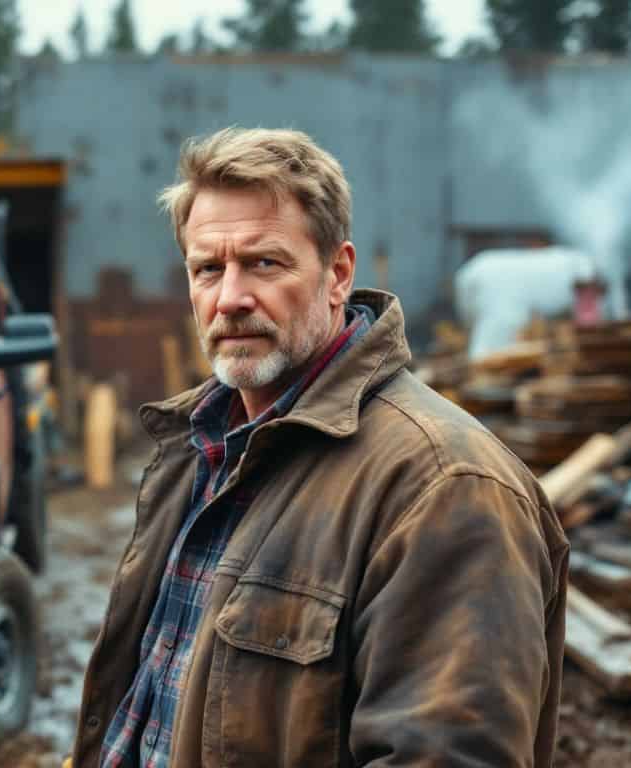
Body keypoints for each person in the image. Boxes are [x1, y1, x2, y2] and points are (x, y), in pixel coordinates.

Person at [66, 127, 568, 767]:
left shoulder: (444, 487)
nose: (230, 298)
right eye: (207, 269)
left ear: (338, 274)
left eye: (264, 263)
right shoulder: (197, 449)